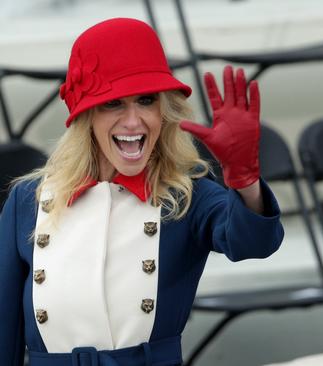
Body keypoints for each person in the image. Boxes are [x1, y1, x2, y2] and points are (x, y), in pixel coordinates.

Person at [0, 17, 284, 364]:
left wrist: (245, 180)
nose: (133, 121)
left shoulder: (187, 195)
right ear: (85, 115)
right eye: (113, 103)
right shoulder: (27, 200)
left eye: (146, 100)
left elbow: (253, 243)